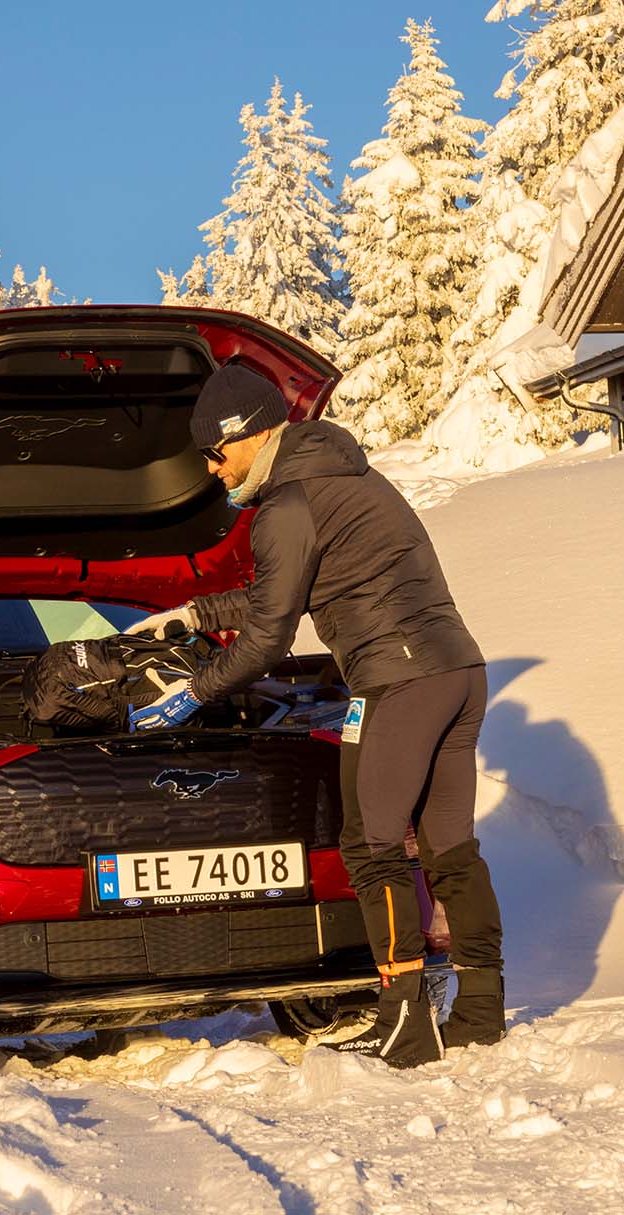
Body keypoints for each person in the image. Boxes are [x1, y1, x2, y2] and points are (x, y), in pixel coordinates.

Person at [125, 363, 504, 1069]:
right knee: (448, 843)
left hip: (398, 680)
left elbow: (269, 639)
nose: (211, 469)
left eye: (215, 451)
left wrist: (193, 692)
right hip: (457, 672)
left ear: (250, 434)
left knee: (372, 845)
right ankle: (481, 1008)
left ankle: (405, 1019)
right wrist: (196, 613)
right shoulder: (344, 475)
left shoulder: (288, 504)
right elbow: (285, 592)